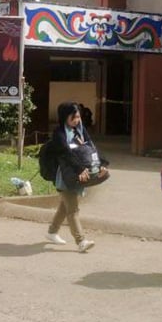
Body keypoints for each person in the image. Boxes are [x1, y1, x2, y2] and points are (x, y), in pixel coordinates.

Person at [44, 102, 107, 252]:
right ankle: (81, 241)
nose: (77, 120)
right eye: (74, 117)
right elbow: (65, 154)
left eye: (78, 117)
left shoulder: (80, 130)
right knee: (73, 209)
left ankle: (52, 232)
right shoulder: (59, 134)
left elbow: (90, 148)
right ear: (65, 117)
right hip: (67, 175)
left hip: (80, 173)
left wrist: (101, 164)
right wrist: (80, 169)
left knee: (65, 207)